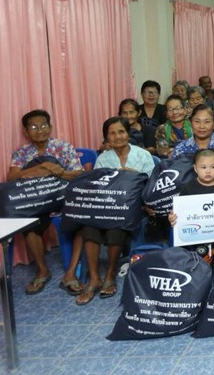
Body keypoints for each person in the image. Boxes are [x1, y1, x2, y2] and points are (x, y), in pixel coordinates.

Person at [75, 116, 154, 305]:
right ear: (106, 138)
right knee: (89, 227)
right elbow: (97, 187)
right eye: (112, 133)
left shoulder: (143, 155)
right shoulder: (103, 158)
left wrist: (134, 176)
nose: (118, 136)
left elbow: (152, 186)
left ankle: (110, 275)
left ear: (128, 133)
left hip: (134, 207)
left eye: (121, 131)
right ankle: (94, 278)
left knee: (116, 227)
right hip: (107, 206)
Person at [7, 110, 84, 295]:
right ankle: (42, 270)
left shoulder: (63, 147)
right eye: (33, 127)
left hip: (64, 197)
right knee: (28, 223)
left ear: (50, 127)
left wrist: (55, 172)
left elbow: (79, 174)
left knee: (83, 219)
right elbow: (12, 178)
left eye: (43, 125)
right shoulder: (22, 153)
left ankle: (71, 273)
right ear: (26, 131)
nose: (40, 130)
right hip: (38, 201)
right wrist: (42, 166)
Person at [168, 148, 214, 263]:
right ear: (195, 168)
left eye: (213, 167)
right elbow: (179, 212)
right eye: (203, 167)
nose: (208, 171)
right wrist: (173, 218)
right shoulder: (188, 187)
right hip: (197, 236)